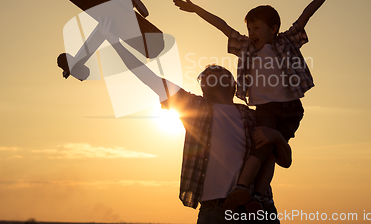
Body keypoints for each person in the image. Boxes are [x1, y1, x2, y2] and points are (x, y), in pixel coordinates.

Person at [173, 0, 350, 211]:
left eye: (257, 28)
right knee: (262, 146)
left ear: (273, 28)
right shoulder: (246, 47)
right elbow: (222, 25)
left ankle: (258, 195)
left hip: (292, 108)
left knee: (273, 152)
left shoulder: (285, 42)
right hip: (266, 108)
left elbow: (307, 14)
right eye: (249, 29)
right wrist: (197, 9)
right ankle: (244, 187)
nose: (251, 33)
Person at [98, 19, 290, 223]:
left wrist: (277, 137)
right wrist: (113, 41)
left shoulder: (254, 115)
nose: (213, 75)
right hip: (214, 211)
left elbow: (285, 161)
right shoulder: (195, 108)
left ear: (233, 84)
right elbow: (146, 75)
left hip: (255, 209)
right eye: (206, 76)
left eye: (220, 72)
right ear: (203, 89)